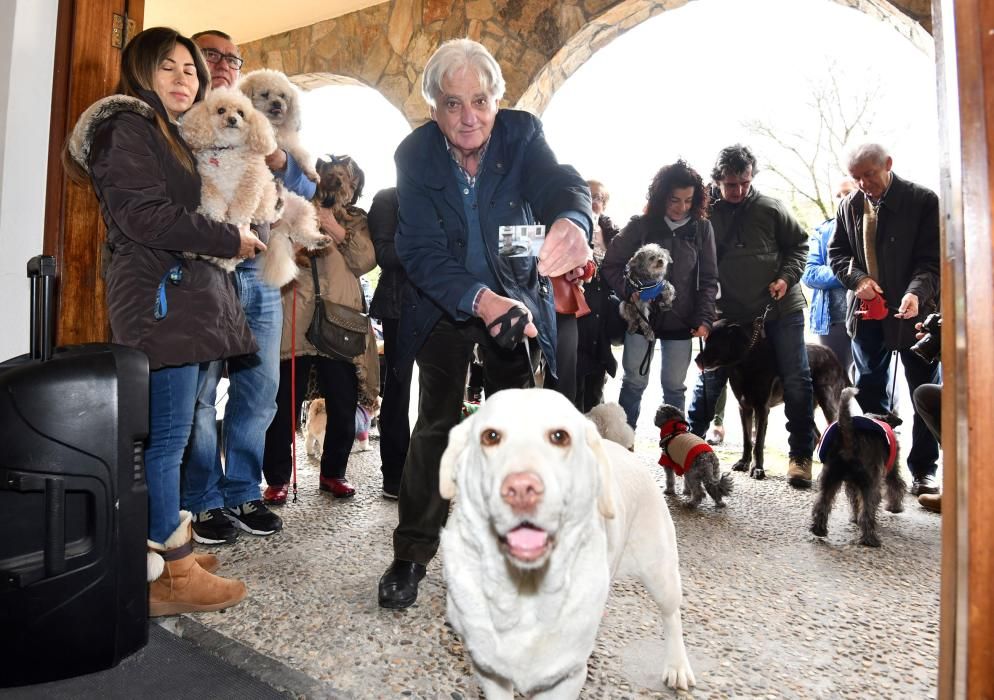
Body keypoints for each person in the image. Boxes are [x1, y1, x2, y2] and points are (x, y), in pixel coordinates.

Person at [377, 38, 592, 609]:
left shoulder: (521, 135)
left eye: (479, 100)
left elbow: (559, 183)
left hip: (516, 300)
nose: (468, 117)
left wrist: (573, 219)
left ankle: (510, 553)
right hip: (446, 303)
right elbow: (419, 250)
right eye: (452, 103)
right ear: (433, 108)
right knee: (437, 426)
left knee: (516, 436)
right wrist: (479, 299)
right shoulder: (415, 155)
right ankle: (413, 552)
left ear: (498, 100)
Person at [65, 26, 264, 614]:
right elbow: (146, 217)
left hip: (177, 294)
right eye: (169, 68)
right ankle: (171, 575)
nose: (185, 79)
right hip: (161, 295)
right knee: (168, 438)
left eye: (190, 70)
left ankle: (166, 546)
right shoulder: (126, 126)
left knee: (167, 438)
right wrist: (231, 235)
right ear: (140, 73)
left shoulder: (163, 132)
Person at [179, 30, 317, 538]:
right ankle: (202, 497)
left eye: (231, 58)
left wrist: (282, 162)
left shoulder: (260, 125)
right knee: (199, 390)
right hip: (204, 269)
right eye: (209, 54)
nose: (221, 64)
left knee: (261, 386)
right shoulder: (183, 122)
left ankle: (243, 489)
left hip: (261, 263)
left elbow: (306, 186)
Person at [687, 144, 816, 488]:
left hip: (780, 309)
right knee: (710, 379)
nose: (738, 190)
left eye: (744, 182)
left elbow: (799, 246)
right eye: (731, 184)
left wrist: (786, 278)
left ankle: (801, 456)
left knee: (796, 377)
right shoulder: (705, 213)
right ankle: (686, 447)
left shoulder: (771, 208)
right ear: (717, 181)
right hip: (728, 316)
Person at [829, 143, 941, 495]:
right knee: (870, 387)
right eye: (856, 177)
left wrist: (915, 294)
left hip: (914, 315)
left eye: (869, 175)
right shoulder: (849, 205)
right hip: (866, 316)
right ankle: (880, 462)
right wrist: (858, 280)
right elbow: (838, 254)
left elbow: (932, 261)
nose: (863, 184)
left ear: (888, 165)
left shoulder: (923, 201)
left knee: (922, 389)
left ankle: (923, 470)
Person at [262, 162, 377, 500]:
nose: (340, 189)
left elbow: (366, 261)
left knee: (343, 403)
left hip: (339, 322)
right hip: (294, 318)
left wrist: (332, 226)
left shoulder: (357, 220)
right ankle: (278, 478)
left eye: (347, 183)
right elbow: (271, 249)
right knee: (283, 403)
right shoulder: (292, 210)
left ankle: (333, 472)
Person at [602, 160, 719, 427]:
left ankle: (675, 451)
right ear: (661, 197)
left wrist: (704, 319)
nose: (682, 207)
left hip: (683, 322)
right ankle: (624, 449)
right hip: (641, 320)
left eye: (689, 200)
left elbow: (709, 279)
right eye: (674, 200)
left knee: (674, 388)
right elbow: (611, 264)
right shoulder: (641, 225)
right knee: (633, 383)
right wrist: (630, 291)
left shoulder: (702, 229)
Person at [368, 187, 410, 498]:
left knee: (446, 394)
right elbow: (384, 254)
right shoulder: (388, 199)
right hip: (400, 306)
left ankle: (434, 470)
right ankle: (394, 473)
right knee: (398, 390)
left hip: (449, 305)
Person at [575, 180, 623, 412]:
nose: (594, 202)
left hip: (600, 319)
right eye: (589, 195)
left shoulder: (615, 235)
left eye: (600, 198)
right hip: (574, 316)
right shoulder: (569, 226)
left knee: (595, 388)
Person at [802, 178, 857, 374]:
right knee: (836, 384)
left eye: (848, 193)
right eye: (838, 196)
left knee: (871, 384)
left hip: (869, 316)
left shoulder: (874, 226)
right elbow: (809, 274)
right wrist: (850, 271)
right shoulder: (822, 231)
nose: (843, 199)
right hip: (833, 320)